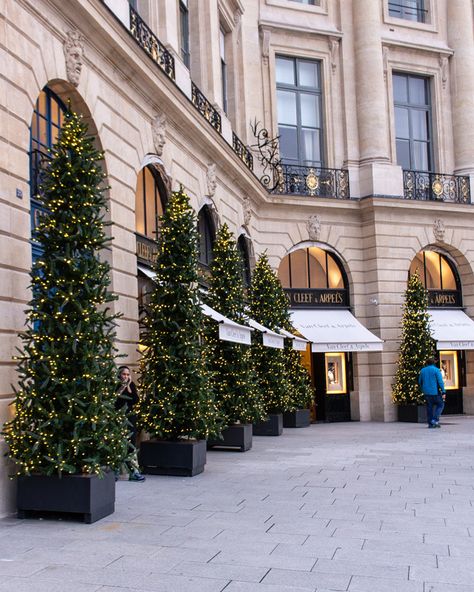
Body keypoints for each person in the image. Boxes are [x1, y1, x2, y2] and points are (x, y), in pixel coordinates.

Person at [116, 366, 145, 481]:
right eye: (124, 374)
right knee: (118, 442)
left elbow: (135, 400)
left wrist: (128, 386)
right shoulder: (116, 385)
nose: (126, 377)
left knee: (131, 443)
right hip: (118, 417)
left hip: (130, 417)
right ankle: (116, 470)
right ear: (119, 375)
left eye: (128, 375)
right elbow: (115, 400)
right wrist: (123, 386)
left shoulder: (131, 385)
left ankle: (133, 471)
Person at [418, 357, 446, 428]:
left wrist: (423, 389)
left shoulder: (423, 370)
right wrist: (443, 391)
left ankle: (430, 424)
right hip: (435, 392)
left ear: (427, 363)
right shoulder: (436, 370)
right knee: (440, 405)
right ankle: (435, 419)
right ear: (434, 363)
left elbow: (419, 381)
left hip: (426, 392)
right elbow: (440, 382)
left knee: (429, 408)